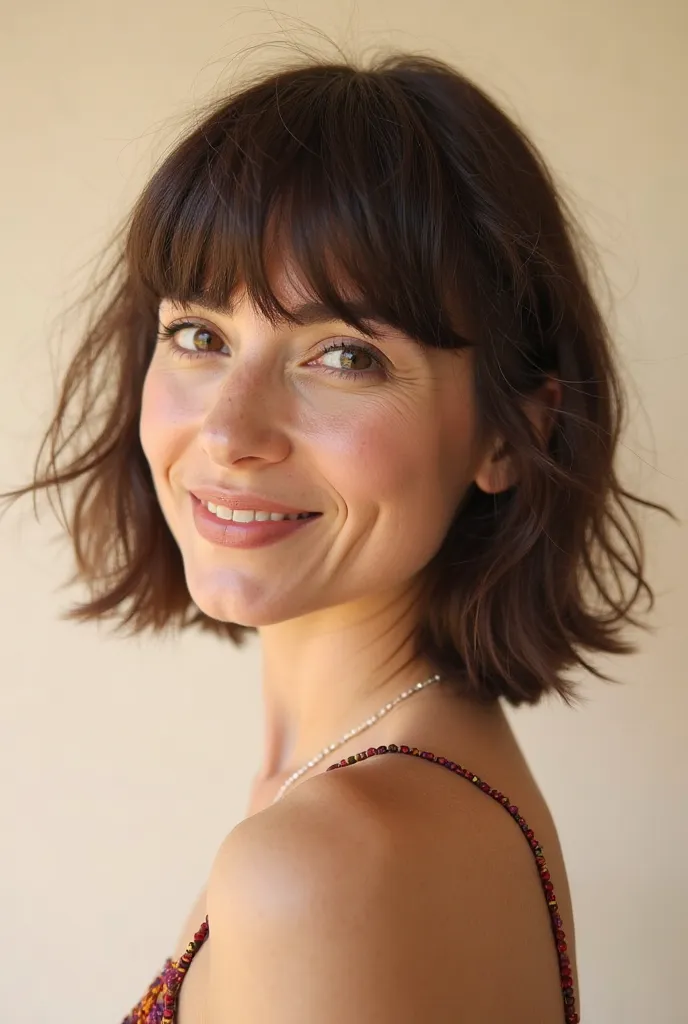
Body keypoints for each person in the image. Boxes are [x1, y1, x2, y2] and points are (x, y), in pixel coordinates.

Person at [2, 48, 665, 1024]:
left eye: (343, 355)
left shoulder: (329, 864)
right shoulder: (396, 797)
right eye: (199, 335)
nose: (229, 432)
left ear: (510, 431)